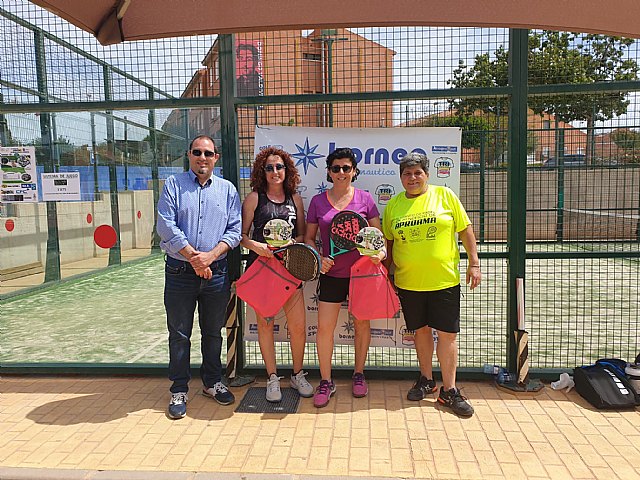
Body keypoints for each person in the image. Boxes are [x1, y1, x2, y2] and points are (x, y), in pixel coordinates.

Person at [382, 152, 481, 417]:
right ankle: (426, 380)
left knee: (447, 335)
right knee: (421, 332)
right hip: (408, 282)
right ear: (401, 177)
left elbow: (465, 229)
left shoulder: (445, 195)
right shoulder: (393, 206)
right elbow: (389, 244)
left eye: (418, 173)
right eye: (407, 173)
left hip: (444, 280)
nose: (412, 178)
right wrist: (386, 274)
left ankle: (449, 390)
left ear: (427, 174)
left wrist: (474, 263)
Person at [157, 135, 242, 420]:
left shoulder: (228, 190)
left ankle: (212, 383)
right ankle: (179, 389)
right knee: (179, 335)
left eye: (208, 153)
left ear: (216, 157)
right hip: (180, 273)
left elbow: (234, 231)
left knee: (212, 332)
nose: (202, 157)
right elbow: (166, 225)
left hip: (216, 273)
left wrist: (210, 257)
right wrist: (196, 259)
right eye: (197, 152)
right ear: (189, 155)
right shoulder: (173, 185)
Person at [304, 147, 385, 408]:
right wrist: (319, 257)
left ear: (354, 171)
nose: (341, 172)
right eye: (336, 168)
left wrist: (379, 254)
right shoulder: (317, 202)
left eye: (346, 168)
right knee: (324, 329)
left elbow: (378, 238)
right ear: (329, 172)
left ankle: (359, 374)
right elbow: (309, 238)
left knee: (362, 325)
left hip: (361, 275)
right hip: (331, 275)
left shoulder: (365, 199)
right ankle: (326, 381)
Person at [240, 147, 314, 402]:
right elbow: (242, 236)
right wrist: (257, 246)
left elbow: (303, 235)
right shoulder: (254, 198)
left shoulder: (295, 199)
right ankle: (272, 378)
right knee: (265, 325)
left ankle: (297, 374)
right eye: (269, 167)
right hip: (262, 272)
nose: (275, 171)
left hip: (290, 272)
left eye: (279, 167)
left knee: (298, 326)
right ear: (262, 171)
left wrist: (292, 243)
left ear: (286, 170)